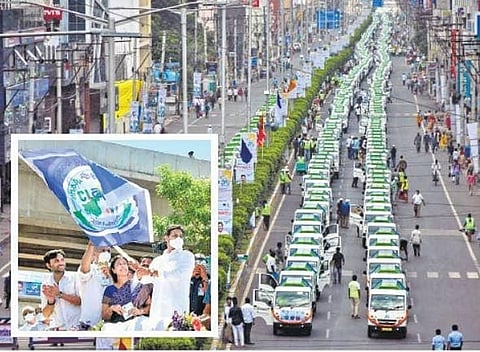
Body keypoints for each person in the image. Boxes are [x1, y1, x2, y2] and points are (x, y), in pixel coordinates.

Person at [134, 225, 195, 328]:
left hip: (177, 309)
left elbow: (178, 274)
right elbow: (146, 280)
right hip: (158, 310)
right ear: (166, 238)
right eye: (175, 235)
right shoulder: (158, 260)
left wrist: (151, 272)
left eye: (181, 236)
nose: (178, 239)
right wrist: (138, 272)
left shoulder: (187, 256)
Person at [101, 255, 151, 323]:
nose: (123, 266)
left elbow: (150, 307)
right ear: (113, 270)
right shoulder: (110, 289)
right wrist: (112, 308)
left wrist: (140, 311)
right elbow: (104, 315)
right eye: (119, 264)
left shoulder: (139, 285)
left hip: (136, 325)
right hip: (116, 327)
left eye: (124, 263)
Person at [41, 249, 81, 330]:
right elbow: (45, 314)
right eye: (56, 261)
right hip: (58, 328)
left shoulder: (75, 278)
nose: (61, 263)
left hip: (76, 326)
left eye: (62, 260)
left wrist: (59, 294)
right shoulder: (46, 284)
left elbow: (80, 302)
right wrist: (50, 301)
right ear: (49, 265)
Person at [78, 242, 112, 330]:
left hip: (109, 324)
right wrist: (91, 245)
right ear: (94, 254)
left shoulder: (114, 272)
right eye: (103, 250)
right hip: (89, 324)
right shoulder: (90, 269)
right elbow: (84, 269)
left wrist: (111, 275)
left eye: (108, 251)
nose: (106, 253)